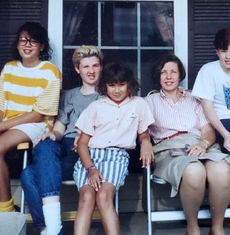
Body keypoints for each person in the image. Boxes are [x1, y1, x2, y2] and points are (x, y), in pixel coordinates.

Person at [21, 45, 103, 235]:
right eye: (85, 67)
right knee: (45, 145)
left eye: (95, 66)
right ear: (77, 69)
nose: (91, 71)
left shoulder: (107, 95)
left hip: (84, 152)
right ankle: (53, 228)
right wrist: (52, 135)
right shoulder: (70, 95)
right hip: (64, 144)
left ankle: (48, 229)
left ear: (101, 67)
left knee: (28, 174)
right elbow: (59, 128)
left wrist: (86, 139)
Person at [144, 54, 230, 235]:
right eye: (163, 72)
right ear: (157, 76)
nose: (168, 77)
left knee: (222, 169)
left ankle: (217, 228)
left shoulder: (194, 99)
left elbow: (208, 131)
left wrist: (203, 144)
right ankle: (193, 228)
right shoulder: (149, 102)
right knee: (194, 170)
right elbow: (142, 130)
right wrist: (144, 142)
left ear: (180, 74)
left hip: (200, 144)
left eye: (173, 72)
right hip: (169, 148)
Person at [73, 62, 154, 235]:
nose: (117, 90)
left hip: (116, 156)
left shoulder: (138, 104)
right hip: (90, 157)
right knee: (87, 197)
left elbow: (144, 133)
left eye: (121, 85)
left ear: (129, 84)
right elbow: (82, 143)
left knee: (103, 197)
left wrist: (146, 142)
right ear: (104, 86)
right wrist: (90, 169)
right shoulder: (95, 107)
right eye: (111, 85)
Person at [0, 22, 61, 213]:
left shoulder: (50, 71)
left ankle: (6, 210)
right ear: (17, 44)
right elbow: (0, 105)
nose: (27, 44)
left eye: (33, 40)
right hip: (9, 123)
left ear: (42, 46)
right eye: (23, 39)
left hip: (36, 124)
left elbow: (38, 114)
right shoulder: (9, 69)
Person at [192, 28, 230, 153]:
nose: (228, 56)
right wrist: (226, 135)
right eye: (224, 51)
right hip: (221, 122)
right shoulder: (208, 70)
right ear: (217, 52)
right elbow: (207, 107)